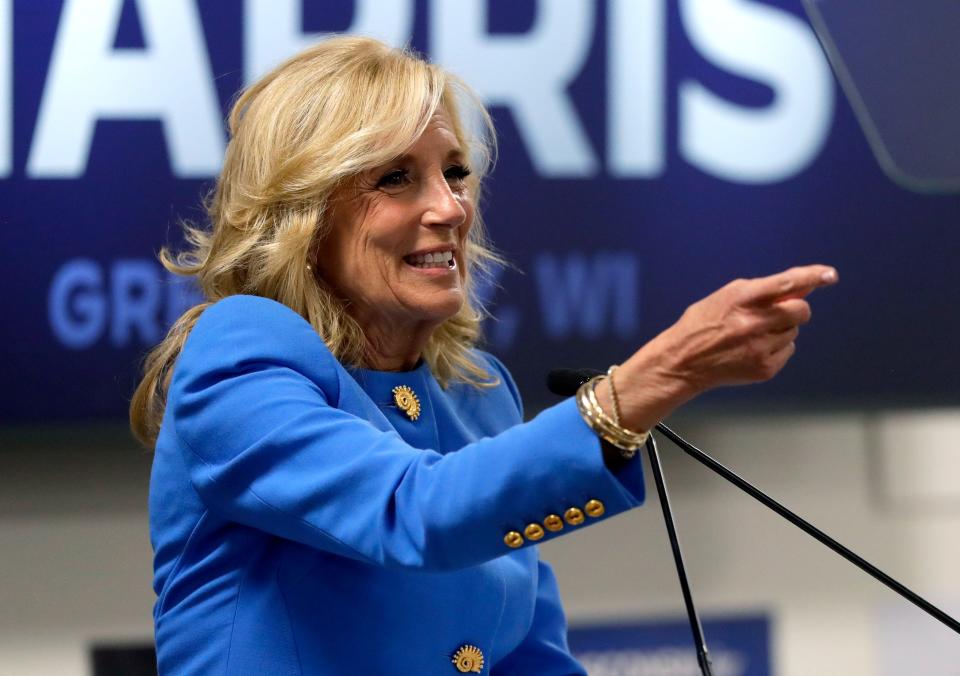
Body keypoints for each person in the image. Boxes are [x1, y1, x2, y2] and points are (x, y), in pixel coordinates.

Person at [130, 36, 837, 675]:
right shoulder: (240, 351)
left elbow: (525, 657)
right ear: (305, 215)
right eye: (395, 178)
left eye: (457, 172)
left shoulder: (476, 394)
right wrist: (651, 382)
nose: (450, 207)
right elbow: (412, 512)